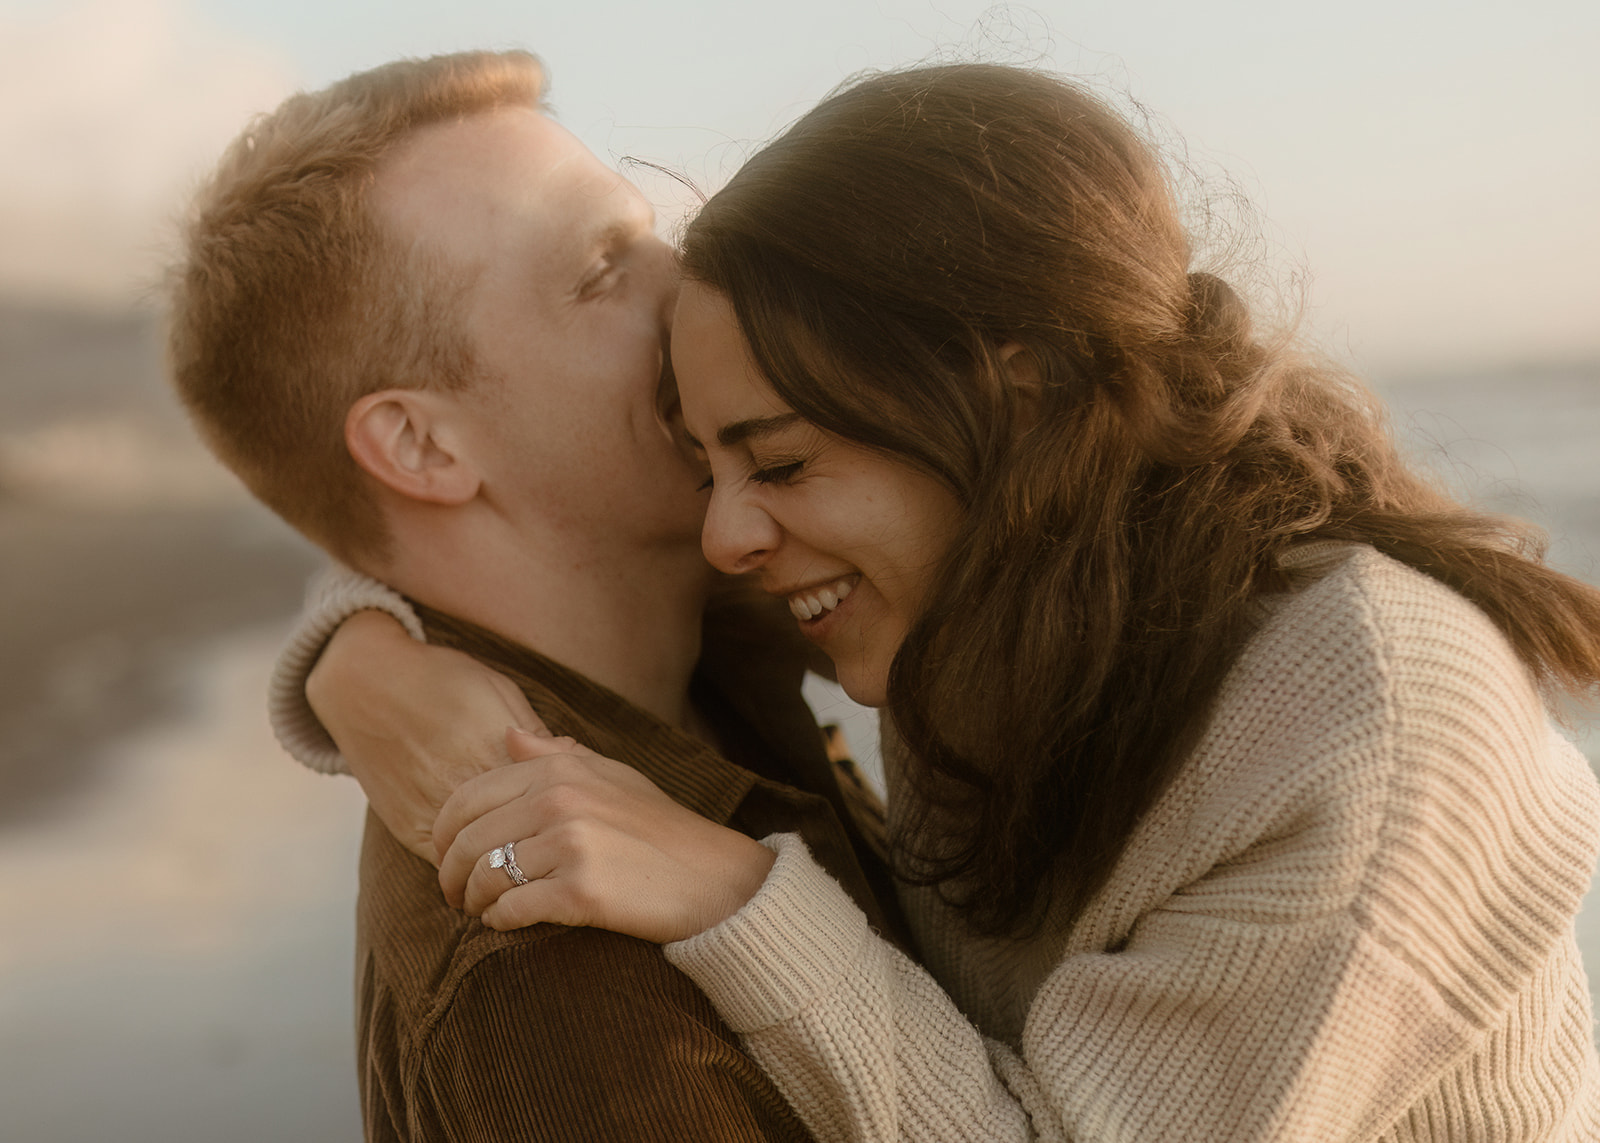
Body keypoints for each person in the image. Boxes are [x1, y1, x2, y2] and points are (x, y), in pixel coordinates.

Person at [310, 63, 1600, 1140]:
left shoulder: (1367, 730)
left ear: (1018, 394)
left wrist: (734, 897)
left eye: (781, 461)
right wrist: (359, 661)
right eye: (703, 460)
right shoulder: (973, 564)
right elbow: (544, 568)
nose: (727, 532)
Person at [166, 49, 901, 1142]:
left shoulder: (726, 651)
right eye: (604, 269)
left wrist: (351, 653)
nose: (695, 283)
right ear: (420, 445)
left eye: (653, 235)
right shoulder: (555, 972)